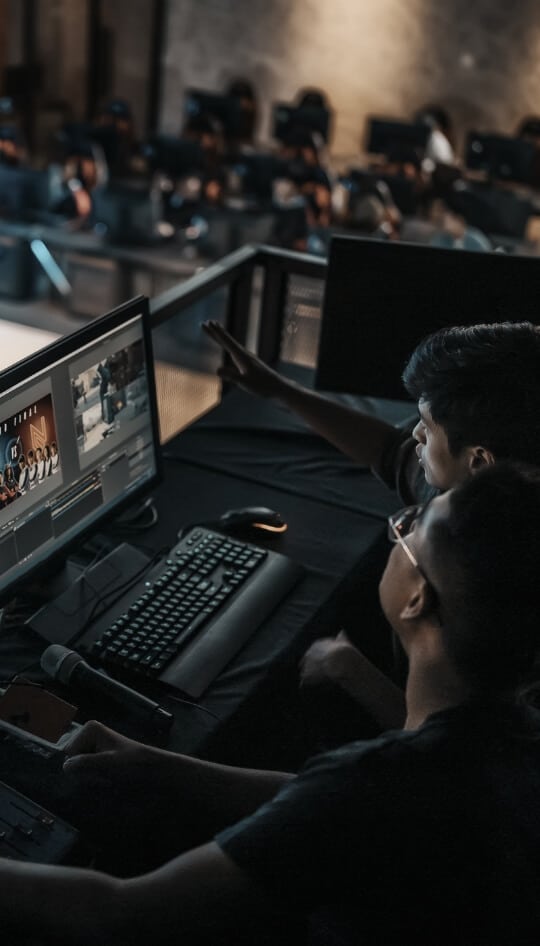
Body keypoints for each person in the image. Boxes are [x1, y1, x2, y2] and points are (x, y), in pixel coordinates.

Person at [2, 462, 540, 945]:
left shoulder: (381, 786)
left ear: (418, 598)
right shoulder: (511, 733)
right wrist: (154, 764)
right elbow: (319, 801)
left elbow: (121, 914)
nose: (399, 528)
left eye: (411, 528)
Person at [202, 319, 540, 730]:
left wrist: (350, 670)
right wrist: (280, 391)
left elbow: (460, 753)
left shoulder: (506, 590)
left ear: (479, 463)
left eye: (428, 428)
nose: (414, 432)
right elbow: (389, 450)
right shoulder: (480, 493)